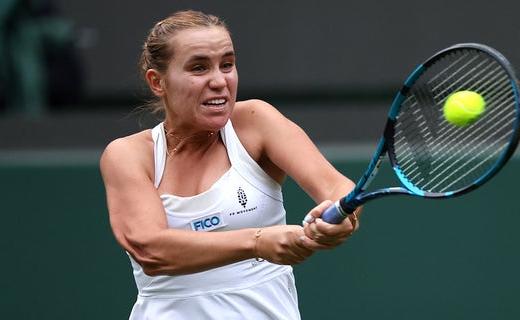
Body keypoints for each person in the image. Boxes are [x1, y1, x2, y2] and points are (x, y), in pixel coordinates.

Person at [99, 10, 361, 319]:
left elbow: (336, 186)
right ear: (158, 83)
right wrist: (257, 242)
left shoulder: (255, 122)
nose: (219, 81)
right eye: (199, 68)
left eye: (227, 64)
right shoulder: (128, 155)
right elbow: (150, 249)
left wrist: (343, 215)